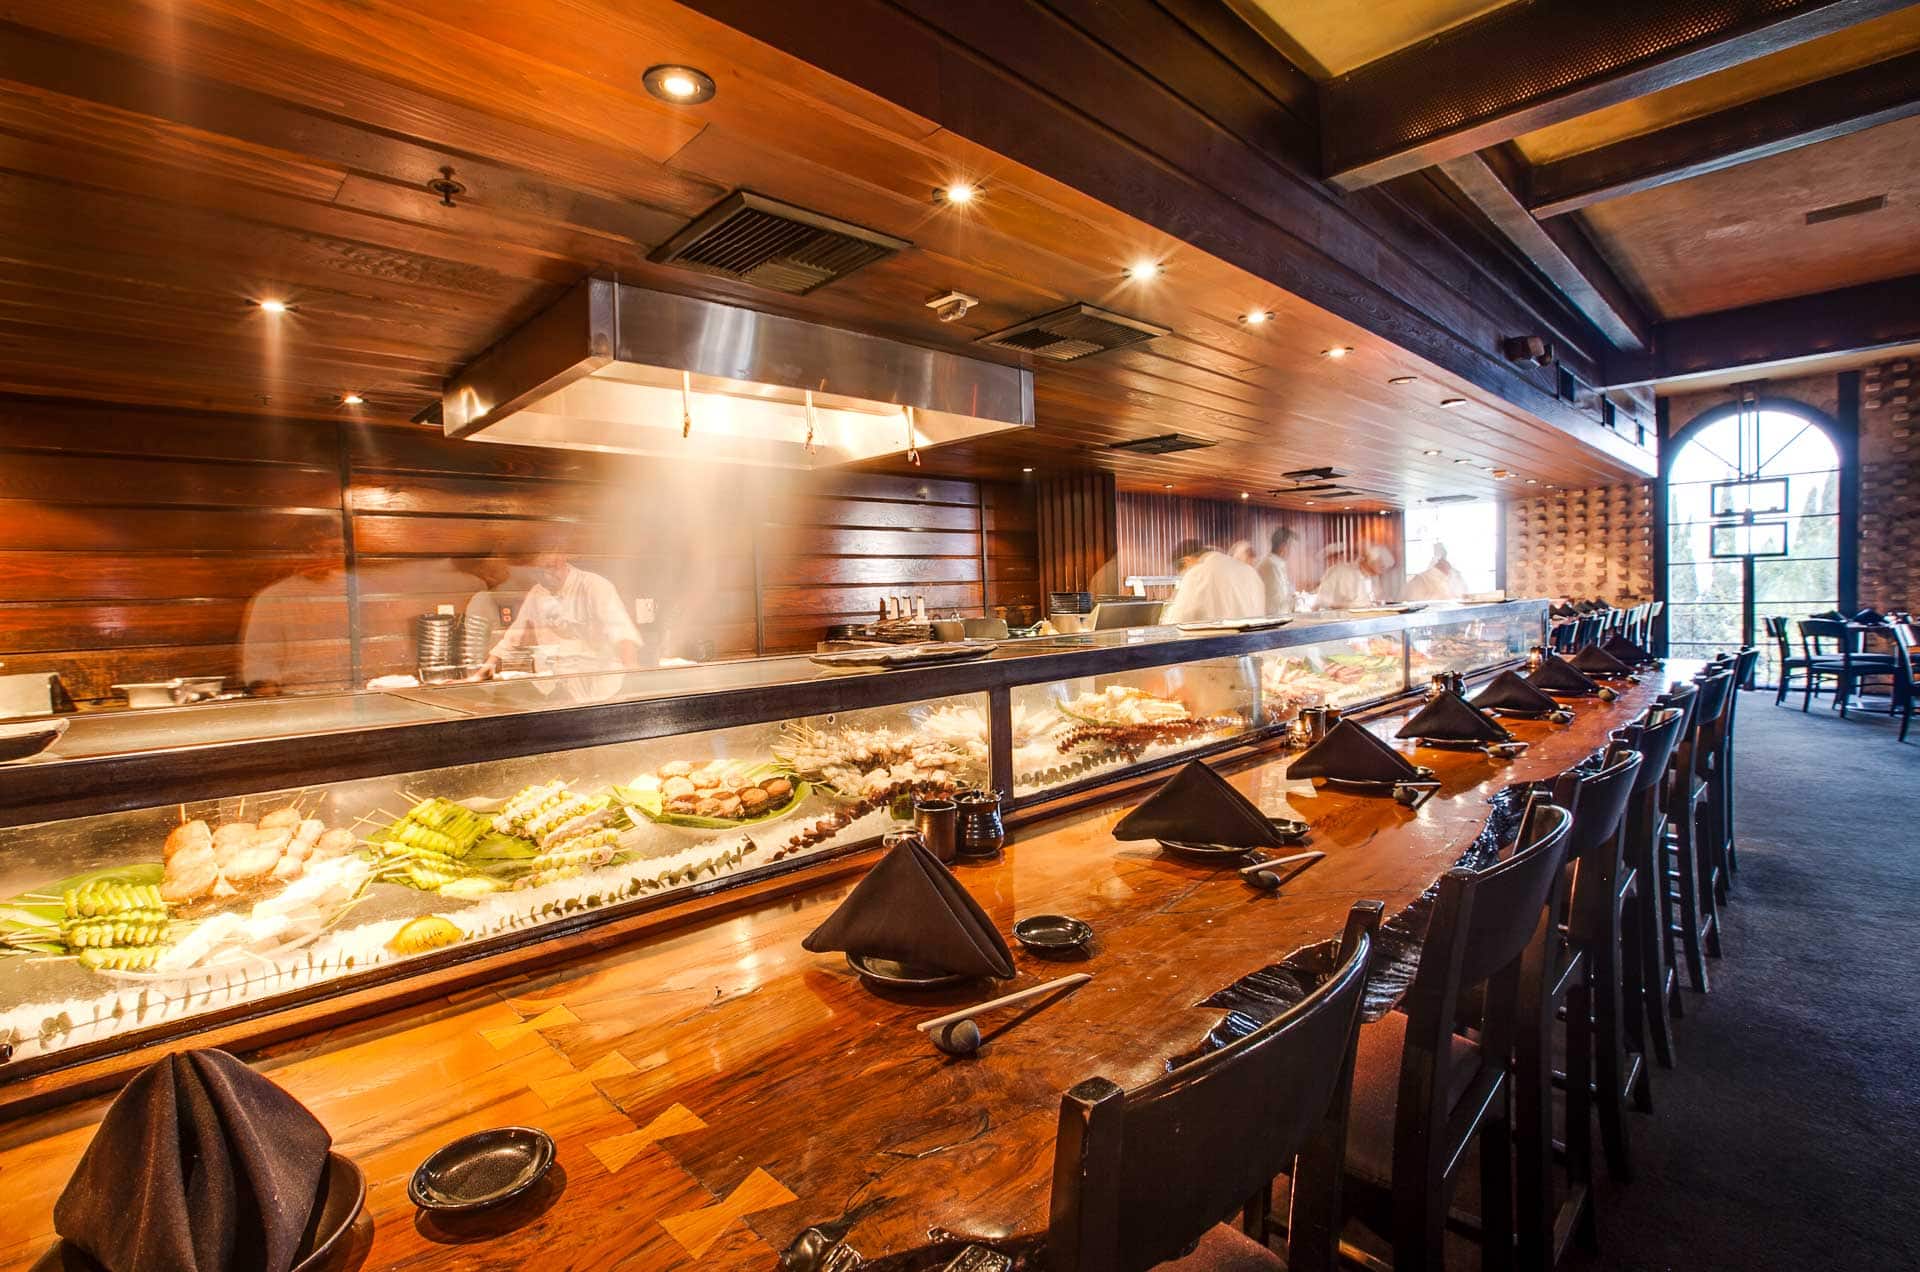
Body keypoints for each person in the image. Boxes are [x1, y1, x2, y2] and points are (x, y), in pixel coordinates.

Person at [477, 545, 642, 677]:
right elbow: (515, 634)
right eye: (538, 571)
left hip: (596, 681)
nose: (546, 575)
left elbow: (621, 631)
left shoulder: (594, 585)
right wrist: (487, 667)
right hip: (554, 684)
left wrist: (632, 672)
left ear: (562, 558)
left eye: (550, 567)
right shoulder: (537, 592)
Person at [1159, 538, 1266, 625]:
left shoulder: (1197, 573)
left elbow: (1178, 621)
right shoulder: (1250, 571)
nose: (1184, 576)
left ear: (1186, 561)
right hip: (1252, 645)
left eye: (1183, 573)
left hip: (1216, 647)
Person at [1315, 543, 1395, 610]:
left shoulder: (1373, 578)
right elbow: (1321, 600)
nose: (1383, 572)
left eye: (1386, 568)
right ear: (1370, 561)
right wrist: (1348, 606)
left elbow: (1379, 597)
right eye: (1382, 566)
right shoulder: (1340, 572)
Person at [1255, 526, 1297, 616]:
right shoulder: (1271, 566)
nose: (1293, 551)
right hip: (1274, 620)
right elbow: (1276, 603)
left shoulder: (1276, 563)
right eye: (1292, 547)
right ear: (1283, 546)